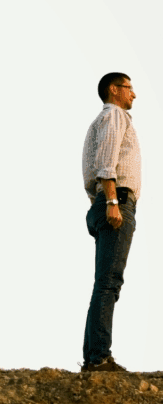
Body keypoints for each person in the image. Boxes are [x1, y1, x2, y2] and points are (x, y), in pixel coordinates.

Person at [80, 73, 140, 372]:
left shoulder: (104, 120)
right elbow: (106, 160)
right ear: (115, 90)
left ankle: (93, 355)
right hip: (115, 203)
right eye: (130, 88)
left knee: (103, 283)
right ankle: (99, 357)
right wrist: (114, 202)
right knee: (109, 284)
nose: (135, 95)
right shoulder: (115, 116)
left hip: (103, 204)